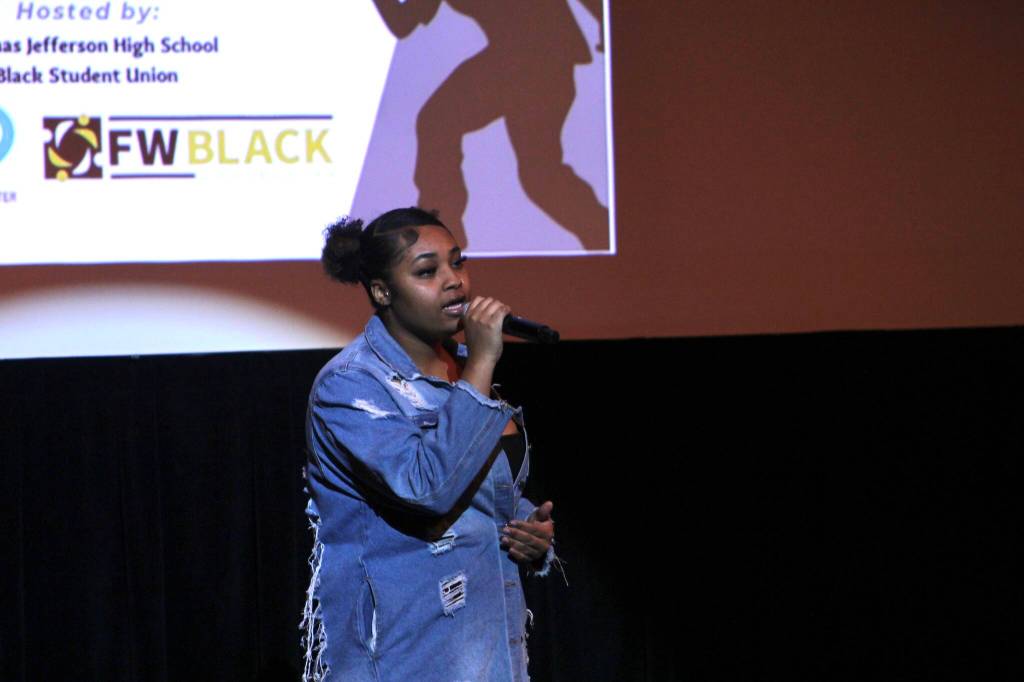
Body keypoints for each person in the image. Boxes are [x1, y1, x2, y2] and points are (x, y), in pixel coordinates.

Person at [301, 207, 556, 682]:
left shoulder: (464, 371)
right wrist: (481, 366)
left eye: (457, 263)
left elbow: (480, 491)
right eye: (427, 271)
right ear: (382, 291)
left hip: (489, 646)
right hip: (406, 655)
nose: (454, 280)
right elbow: (425, 489)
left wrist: (528, 532)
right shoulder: (351, 384)